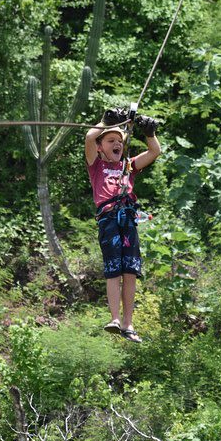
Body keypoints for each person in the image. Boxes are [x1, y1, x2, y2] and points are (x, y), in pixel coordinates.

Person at [85, 108, 161, 343]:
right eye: (110, 140)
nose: (116, 143)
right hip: (108, 219)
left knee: (130, 270)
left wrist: (149, 133)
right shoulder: (95, 164)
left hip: (128, 218)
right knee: (114, 269)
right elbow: (89, 137)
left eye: (119, 140)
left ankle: (129, 324)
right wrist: (106, 122)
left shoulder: (128, 166)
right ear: (100, 146)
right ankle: (115, 319)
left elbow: (155, 151)